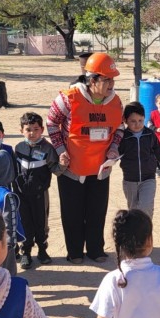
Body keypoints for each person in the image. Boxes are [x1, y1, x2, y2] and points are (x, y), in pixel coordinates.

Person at [47, 52, 124, 264]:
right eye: (106, 79)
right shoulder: (67, 98)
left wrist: (114, 149)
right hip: (72, 168)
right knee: (72, 212)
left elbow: (119, 128)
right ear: (92, 80)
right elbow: (52, 123)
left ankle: (95, 249)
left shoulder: (116, 102)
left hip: (100, 168)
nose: (111, 84)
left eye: (112, 79)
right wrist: (61, 149)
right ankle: (74, 252)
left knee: (96, 211)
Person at [14, 112, 65, 270]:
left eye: (36, 129)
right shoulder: (19, 148)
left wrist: (62, 164)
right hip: (21, 194)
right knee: (25, 222)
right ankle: (26, 252)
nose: (32, 133)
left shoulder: (47, 148)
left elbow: (55, 170)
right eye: (28, 129)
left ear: (42, 129)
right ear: (21, 130)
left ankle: (42, 251)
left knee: (41, 222)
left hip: (40, 194)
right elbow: (15, 170)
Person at [118, 103, 160, 220]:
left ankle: (146, 236)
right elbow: (114, 155)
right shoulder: (123, 137)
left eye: (140, 120)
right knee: (133, 210)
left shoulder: (150, 135)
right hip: (130, 180)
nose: (137, 124)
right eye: (133, 121)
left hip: (148, 179)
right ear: (125, 121)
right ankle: (135, 236)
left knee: (146, 208)